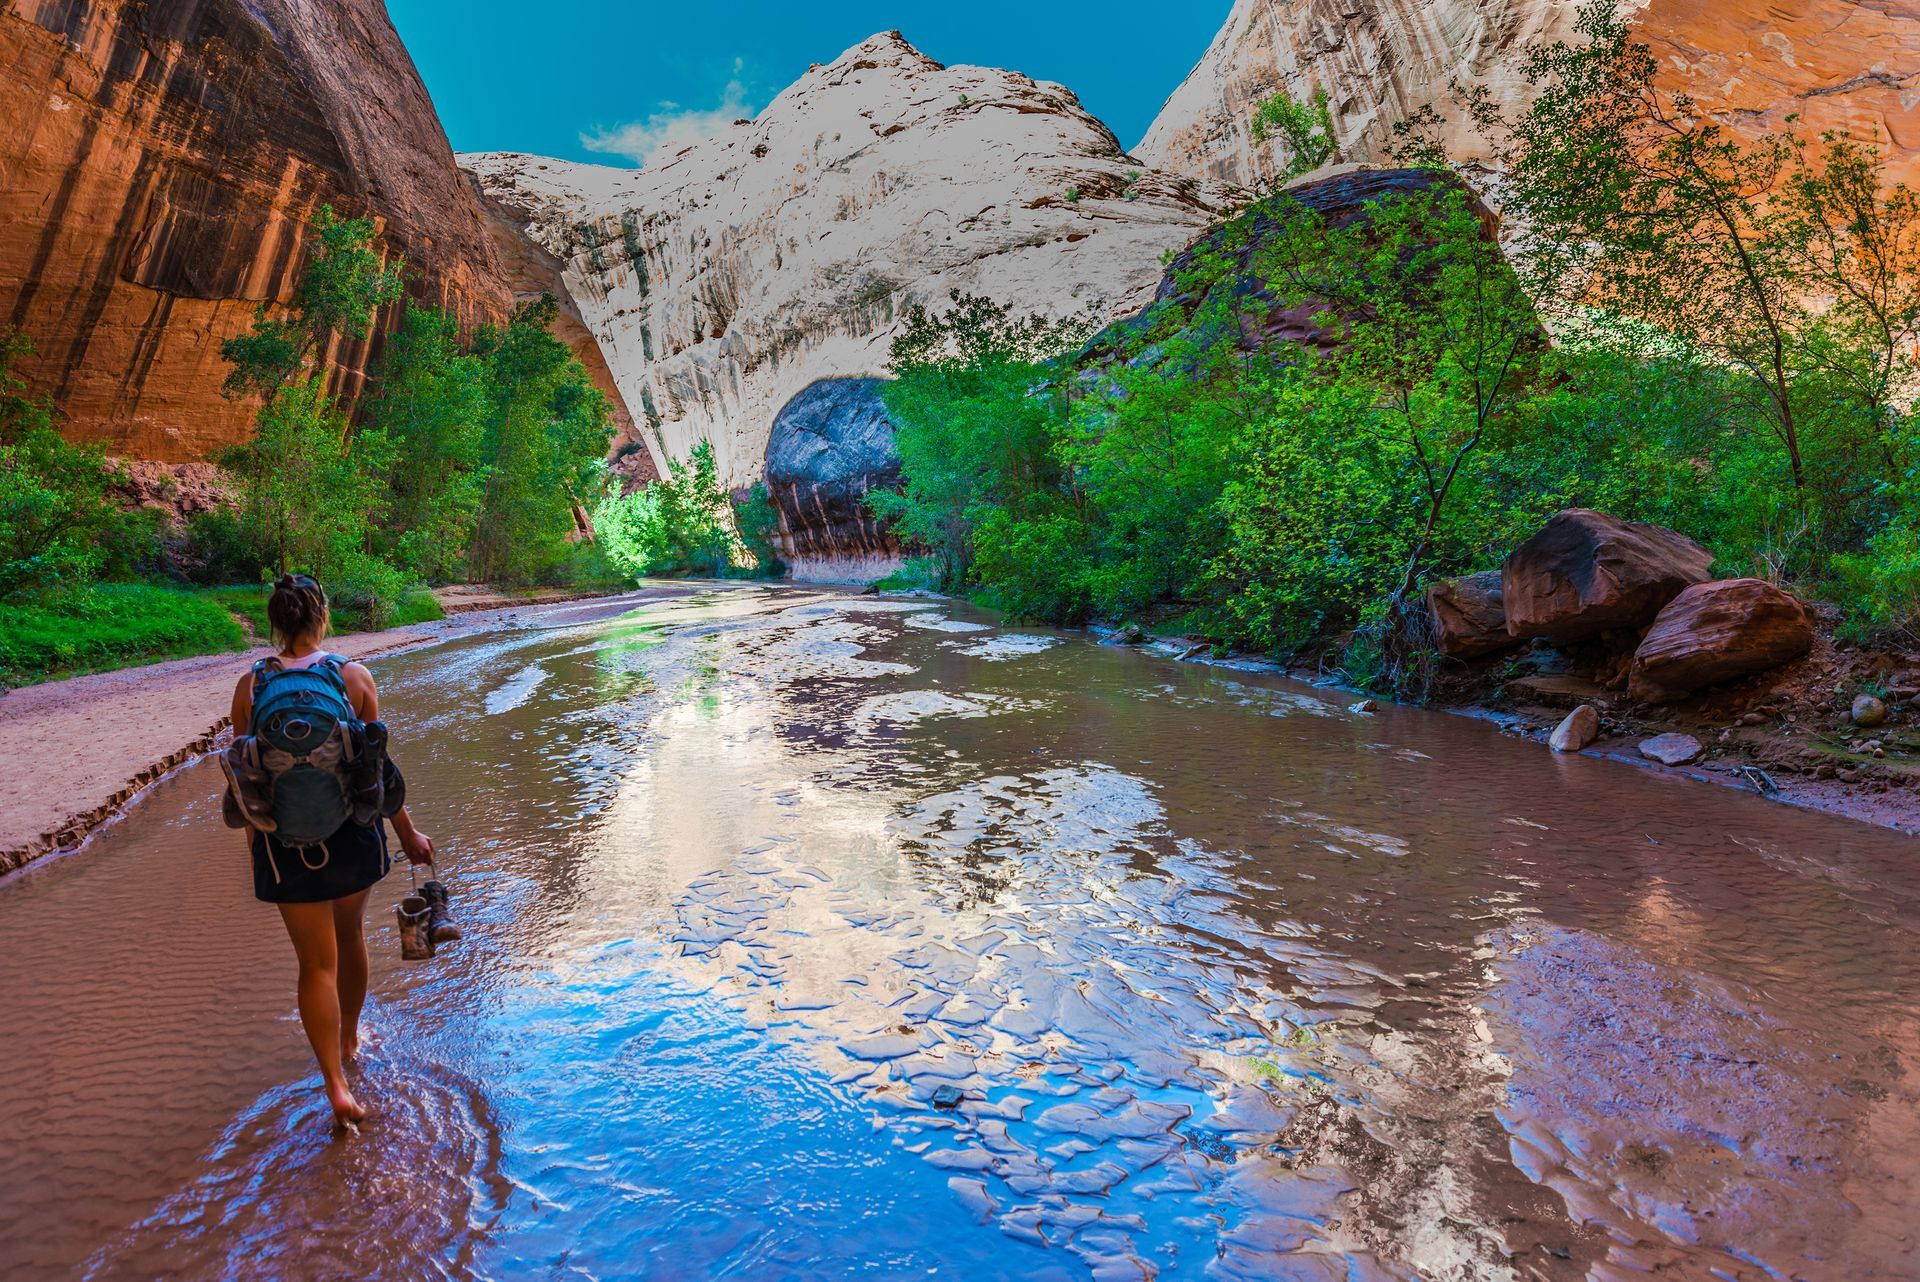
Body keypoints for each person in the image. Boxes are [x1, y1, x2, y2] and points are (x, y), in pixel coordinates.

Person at [231, 573, 434, 1127]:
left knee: (314, 964)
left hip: (283, 847)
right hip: (351, 838)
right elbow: (377, 772)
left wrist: (259, 848)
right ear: (321, 617)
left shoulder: (250, 687)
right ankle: (349, 1037)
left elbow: (245, 778)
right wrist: (409, 836)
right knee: (349, 937)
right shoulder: (352, 677)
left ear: (276, 621)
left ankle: (336, 1085)